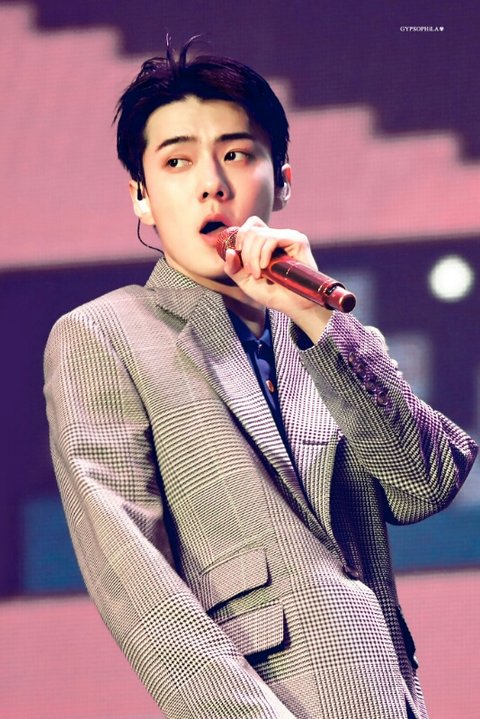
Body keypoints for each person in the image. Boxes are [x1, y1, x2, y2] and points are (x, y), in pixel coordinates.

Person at [44, 36, 477, 719]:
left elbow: (426, 484)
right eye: (177, 160)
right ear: (142, 198)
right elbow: (134, 580)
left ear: (283, 180)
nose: (211, 182)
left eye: (237, 154)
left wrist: (316, 319)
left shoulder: (323, 331)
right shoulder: (103, 334)